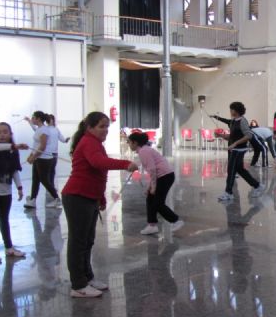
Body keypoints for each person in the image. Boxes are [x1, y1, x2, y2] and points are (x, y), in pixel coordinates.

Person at [62, 112, 138, 298]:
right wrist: (125, 163)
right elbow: (98, 163)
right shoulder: (88, 142)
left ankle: (87, 277)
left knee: (88, 241)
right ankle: (78, 284)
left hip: (89, 197)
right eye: (101, 126)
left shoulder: (95, 143)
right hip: (77, 196)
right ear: (89, 128)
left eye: (107, 126)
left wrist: (100, 198)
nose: (105, 130)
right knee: (78, 241)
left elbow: (98, 173)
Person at [127, 132, 184, 235]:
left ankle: (176, 221)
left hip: (165, 176)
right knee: (150, 198)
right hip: (161, 176)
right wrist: (150, 187)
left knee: (158, 203)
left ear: (135, 143)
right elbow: (152, 171)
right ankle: (152, 225)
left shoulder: (144, 151)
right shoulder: (144, 150)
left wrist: (153, 186)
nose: (129, 144)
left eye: (129, 142)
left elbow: (152, 170)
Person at [212, 102, 266, 202]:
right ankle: (257, 185)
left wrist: (235, 144)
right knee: (240, 170)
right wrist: (220, 135)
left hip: (239, 149)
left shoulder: (243, 121)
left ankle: (228, 193)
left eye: (231, 109)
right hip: (235, 148)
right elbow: (231, 136)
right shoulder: (233, 121)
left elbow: (248, 135)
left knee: (231, 169)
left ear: (235, 111)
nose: (230, 111)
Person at [0, 123, 29, 262]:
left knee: (4, 220)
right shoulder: (6, 148)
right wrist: (14, 146)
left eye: (5, 132)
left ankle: (9, 248)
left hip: (6, 192)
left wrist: (20, 187)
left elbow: (14, 170)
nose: (2, 134)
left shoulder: (12, 151)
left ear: (10, 134)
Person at [23, 111, 62, 210]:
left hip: (44, 159)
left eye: (33, 118)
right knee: (35, 179)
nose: (32, 119)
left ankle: (56, 198)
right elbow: (36, 145)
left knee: (44, 180)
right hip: (38, 158)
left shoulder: (44, 130)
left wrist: (33, 157)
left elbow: (43, 146)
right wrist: (31, 155)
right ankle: (32, 200)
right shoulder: (39, 129)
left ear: (39, 119)